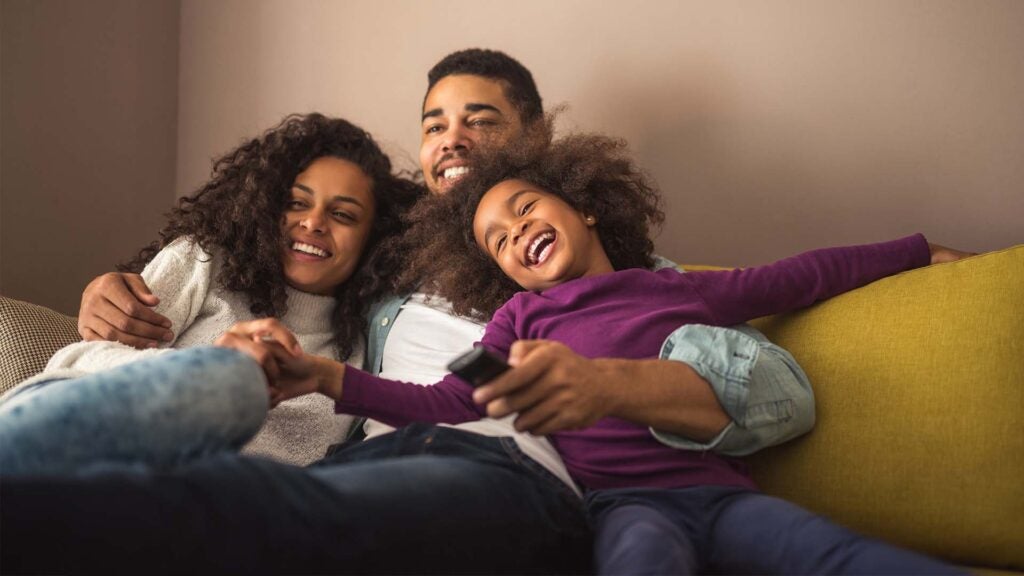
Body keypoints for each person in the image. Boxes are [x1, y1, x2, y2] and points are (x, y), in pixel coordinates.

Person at [1, 50, 814, 574]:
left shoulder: (615, 277)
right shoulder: (382, 273)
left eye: (480, 121)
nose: (451, 140)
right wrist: (113, 287)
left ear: (535, 141)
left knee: (279, 517)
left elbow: (782, 397)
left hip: (506, 475)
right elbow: (269, 257)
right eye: (434, 126)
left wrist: (603, 383)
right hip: (370, 461)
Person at [260, 130, 968, 575]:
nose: (515, 234)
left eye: (523, 209)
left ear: (584, 205)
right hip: (625, 508)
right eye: (497, 241)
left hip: (722, 497)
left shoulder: (675, 289)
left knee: (839, 555)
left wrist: (919, 251)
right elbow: (447, 402)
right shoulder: (519, 319)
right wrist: (327, 376)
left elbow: (803, 275)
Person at [0, 113, 421, 473]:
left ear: (374, 238)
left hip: (202, 506)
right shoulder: (207, 260)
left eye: (343, 214)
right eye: (295, 203)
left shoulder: (364, 344)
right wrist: (213, 374)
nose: (313, 223)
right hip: (80, 432)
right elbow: (78, 360)